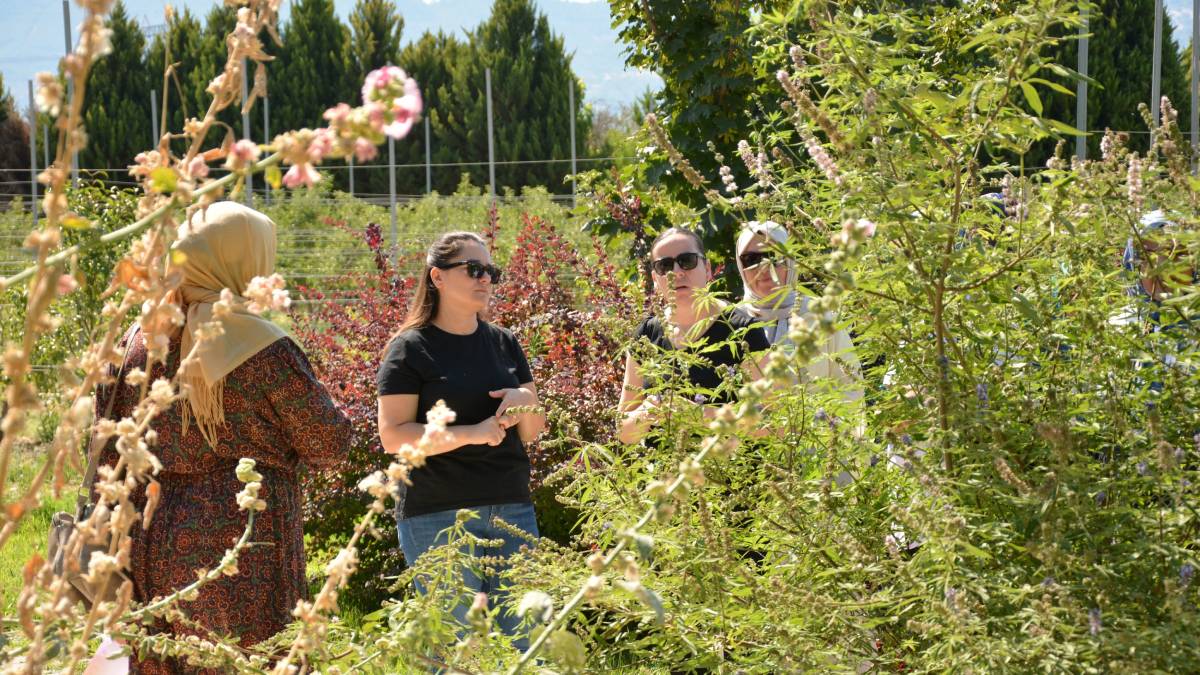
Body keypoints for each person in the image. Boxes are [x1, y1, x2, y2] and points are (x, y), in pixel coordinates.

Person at [95, 201, 352, 674]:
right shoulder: (261, 346)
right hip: (244, 543)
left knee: (161, 660)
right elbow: (328, 444)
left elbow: (106, 449)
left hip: (146, 536)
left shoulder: (134, 340)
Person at [376, 231, 544, 645]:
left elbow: (533, 431)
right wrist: (471, 433)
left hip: (512, 509)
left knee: (528, 644)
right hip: (438, 516)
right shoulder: (409, 349)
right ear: (437, 277)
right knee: (453, 652)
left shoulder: (504, 342)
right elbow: (393, 436)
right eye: (473, 269)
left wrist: (524, 401)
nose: (485, 278)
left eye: (490, 270)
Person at [618, 227, 772, 445]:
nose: (677, 272)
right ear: (655, 278)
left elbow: (774, 427)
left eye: (687, 261)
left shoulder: (743, 331)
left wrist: (699, 416)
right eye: (665, 266)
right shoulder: (646, 335)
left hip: (728, 465)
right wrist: (648, 412)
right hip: (664, 467)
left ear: (707, 269)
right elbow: (622, 432)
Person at [735, 220, 864, 404]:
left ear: (789, 260)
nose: (764, 267)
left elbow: (851, 388)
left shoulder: (821, 317)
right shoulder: (732, 324)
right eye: (751, 259)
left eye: (773, 256)